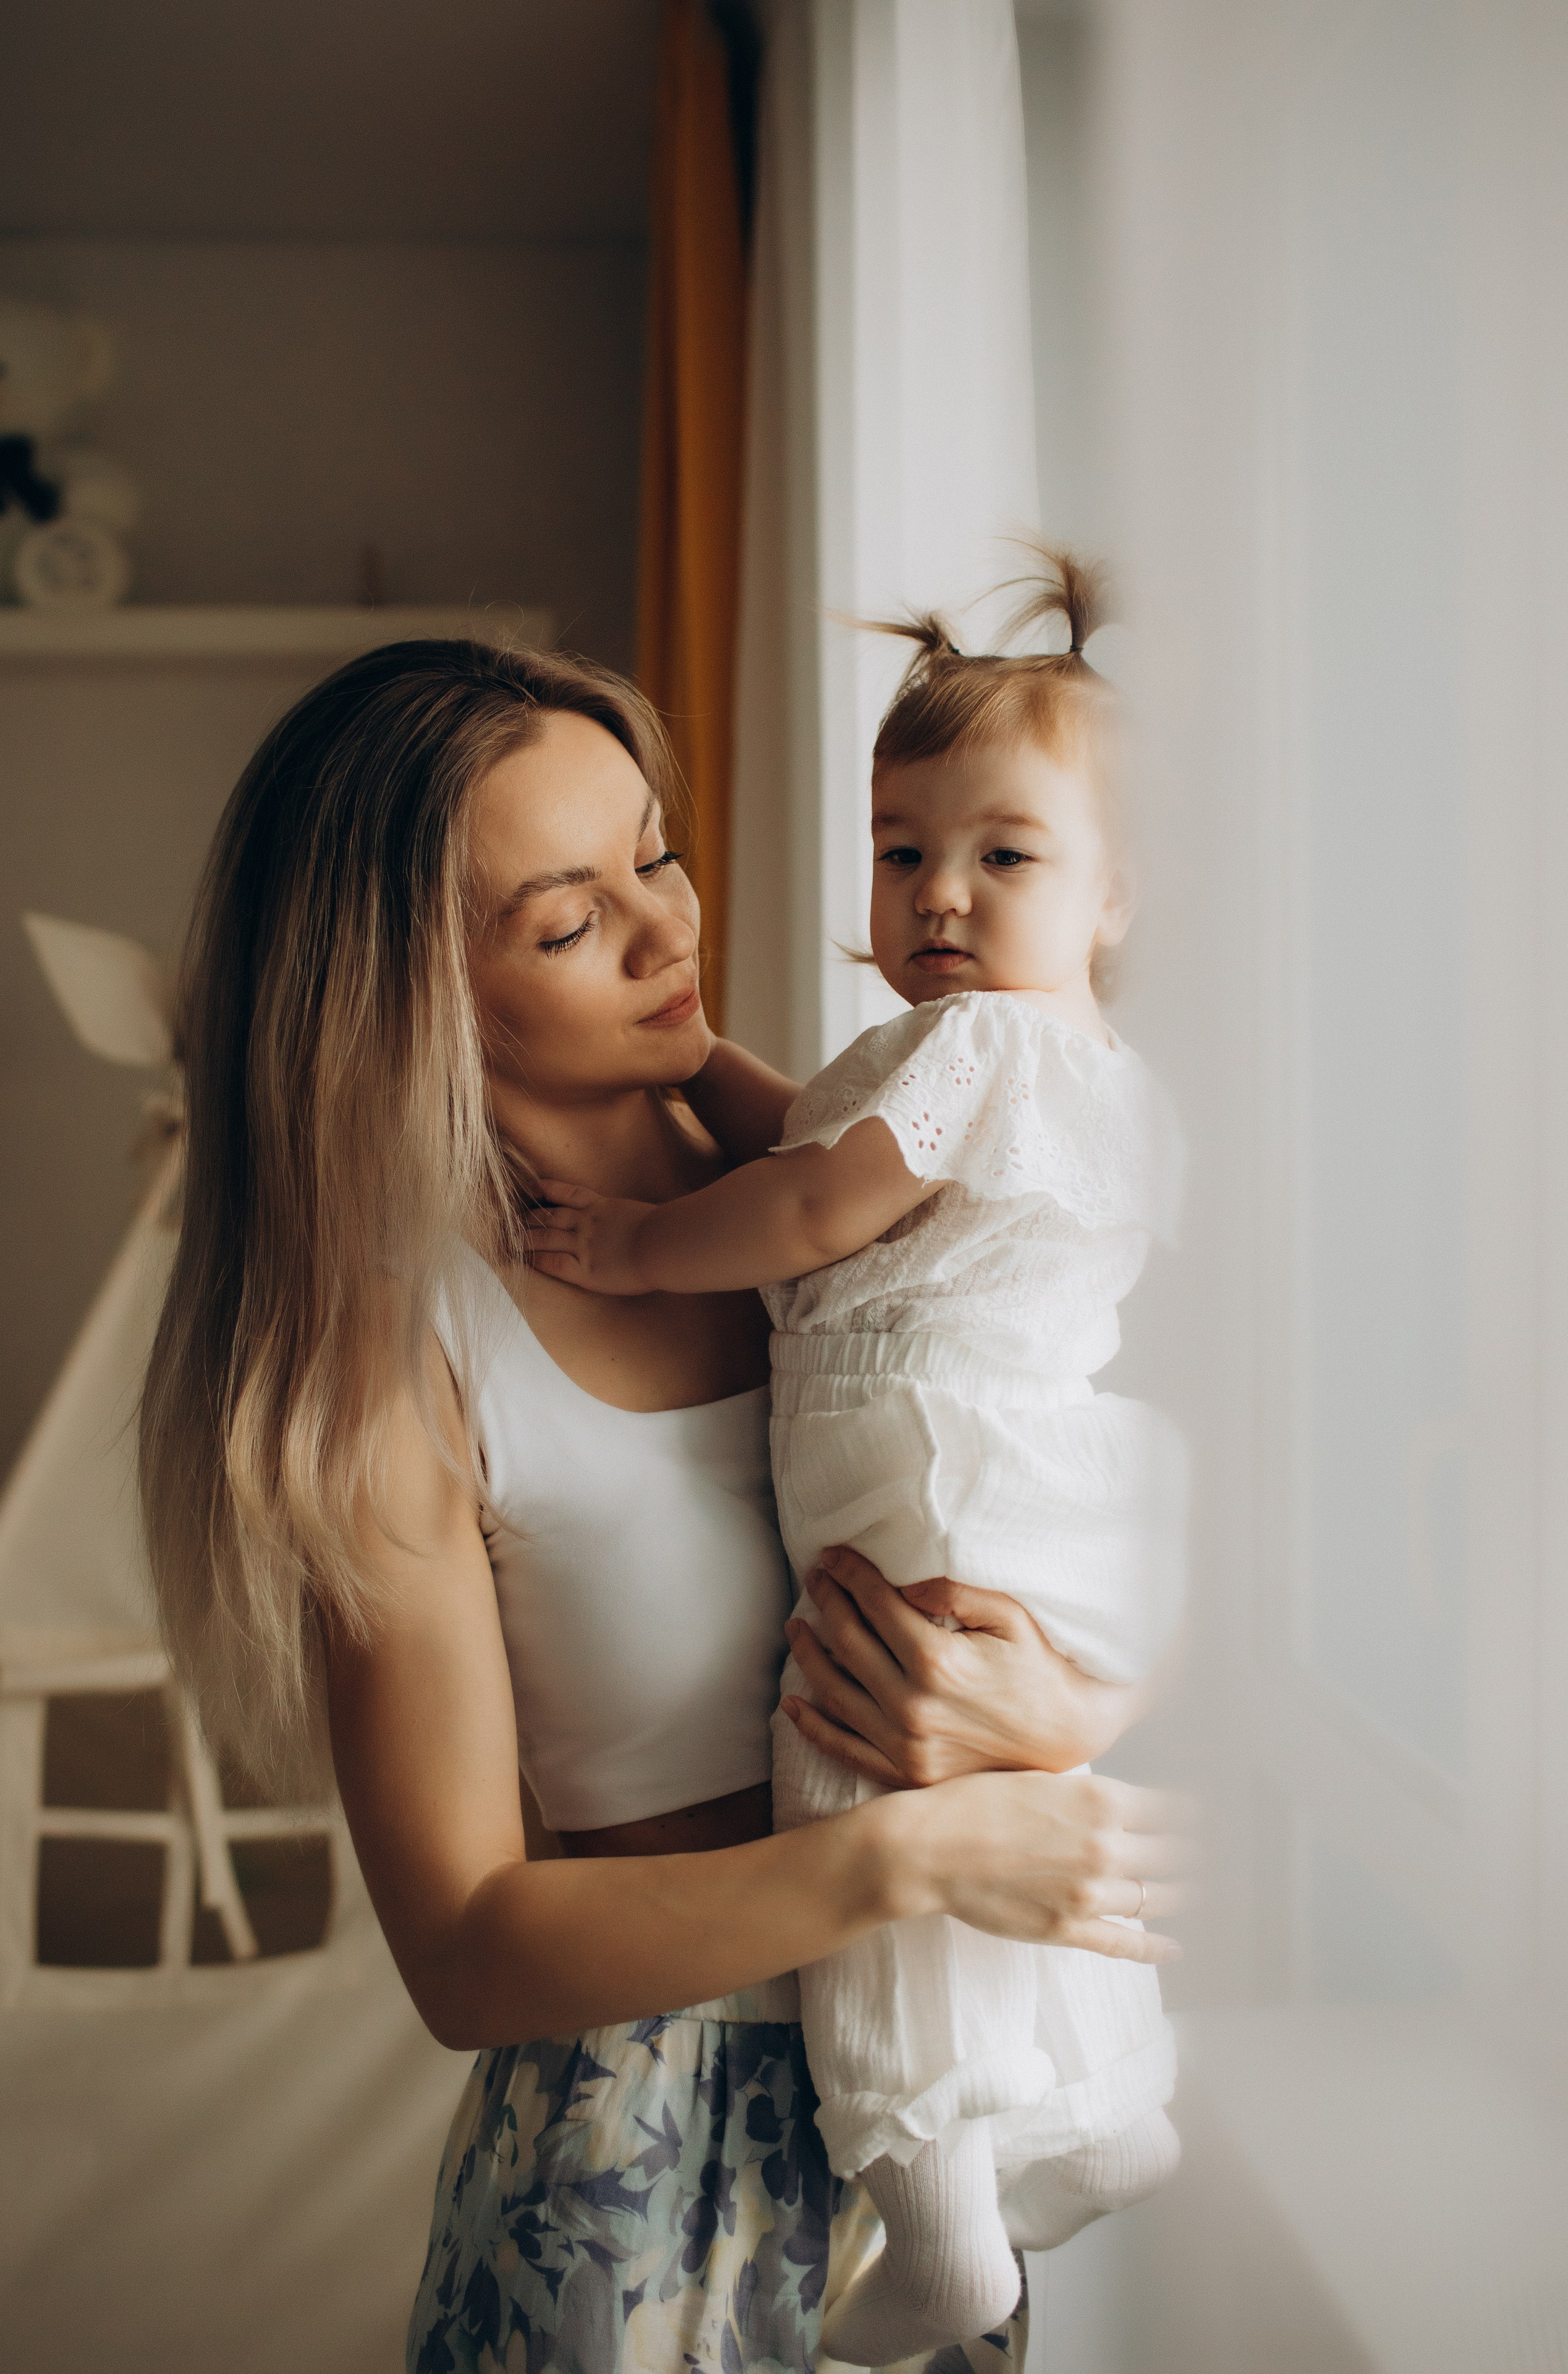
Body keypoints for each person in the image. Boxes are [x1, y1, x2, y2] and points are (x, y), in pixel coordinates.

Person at [138, 632, 1189, 2374]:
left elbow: (1081, 1477)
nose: (667, 931)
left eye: (656, 851)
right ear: (408, 997)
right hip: (652, 2176)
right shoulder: (395, 1359)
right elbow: (467, 1952)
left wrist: (1072, 1700)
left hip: (965, 2074)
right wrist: (915, 1847)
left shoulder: (824, 1186)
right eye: (567, 921)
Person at [530, 551, 1187, 2366]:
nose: (943, 896)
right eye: (904, 852)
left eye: (1007, 856)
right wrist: (695, 1063)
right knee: (973, 1810)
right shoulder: (1053, 1060)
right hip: (1029, 1474)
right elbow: (815, 1129)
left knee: (859, 1787)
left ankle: (938, 2212)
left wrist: (642, 1249)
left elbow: (815, 1195)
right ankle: (1105, 2099)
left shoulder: (978, 1048)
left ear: (1116, 889)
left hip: (926, 1466)